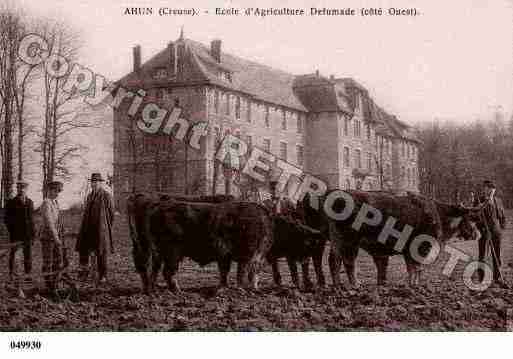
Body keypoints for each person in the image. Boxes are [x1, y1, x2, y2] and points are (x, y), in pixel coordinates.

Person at [76, 173, 115, 285]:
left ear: (100, 183)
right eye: (93, 182)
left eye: (96, 181)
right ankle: (84, 273)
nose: (94, 184)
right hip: (88, 229)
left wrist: (106, 228)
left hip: (101, 229)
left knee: (101, 253)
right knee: (84, 250)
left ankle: (103, 276)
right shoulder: (89, 196)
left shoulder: (106, 195)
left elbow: (111, 214)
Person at [475, 180, 507, 287]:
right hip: (484, 232)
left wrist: (502, 227)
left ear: (493, 190)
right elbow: (476, 217)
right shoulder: (479, 201)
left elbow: (502, 215)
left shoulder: (498, 200)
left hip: (496, 232)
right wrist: (482, 229)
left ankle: (497, 278)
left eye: (491, 189)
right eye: (486, 188)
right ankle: (482, 278)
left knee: (497, 255)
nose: (488, 190)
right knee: (483, 255)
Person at [4, 181, 36, 283]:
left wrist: (33, 234)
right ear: (17, 189)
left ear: (26, 189)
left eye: (23, 188)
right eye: (19, 188)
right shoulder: (11, 202)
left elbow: (31, 220)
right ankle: (11, 275)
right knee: (14, 255)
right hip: (16, 235)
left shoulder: (30, 202)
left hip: (28, 235)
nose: (21, 190)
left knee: (28, 256)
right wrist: (12, 231)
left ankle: (28, 275)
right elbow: (7, 220)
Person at [40, 181, 67, 295]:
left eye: (58, 191)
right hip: (48, 237)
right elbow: (49, 222)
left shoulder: (55, 202)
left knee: (58, 261)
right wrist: (56, 237)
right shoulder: (46, 203)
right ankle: (49, 286)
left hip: (55, 236)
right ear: (49, 191)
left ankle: (54, 284)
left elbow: (58, 220)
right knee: (48, 262)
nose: (56, 193)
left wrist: (62, 231)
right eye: (54, 191)